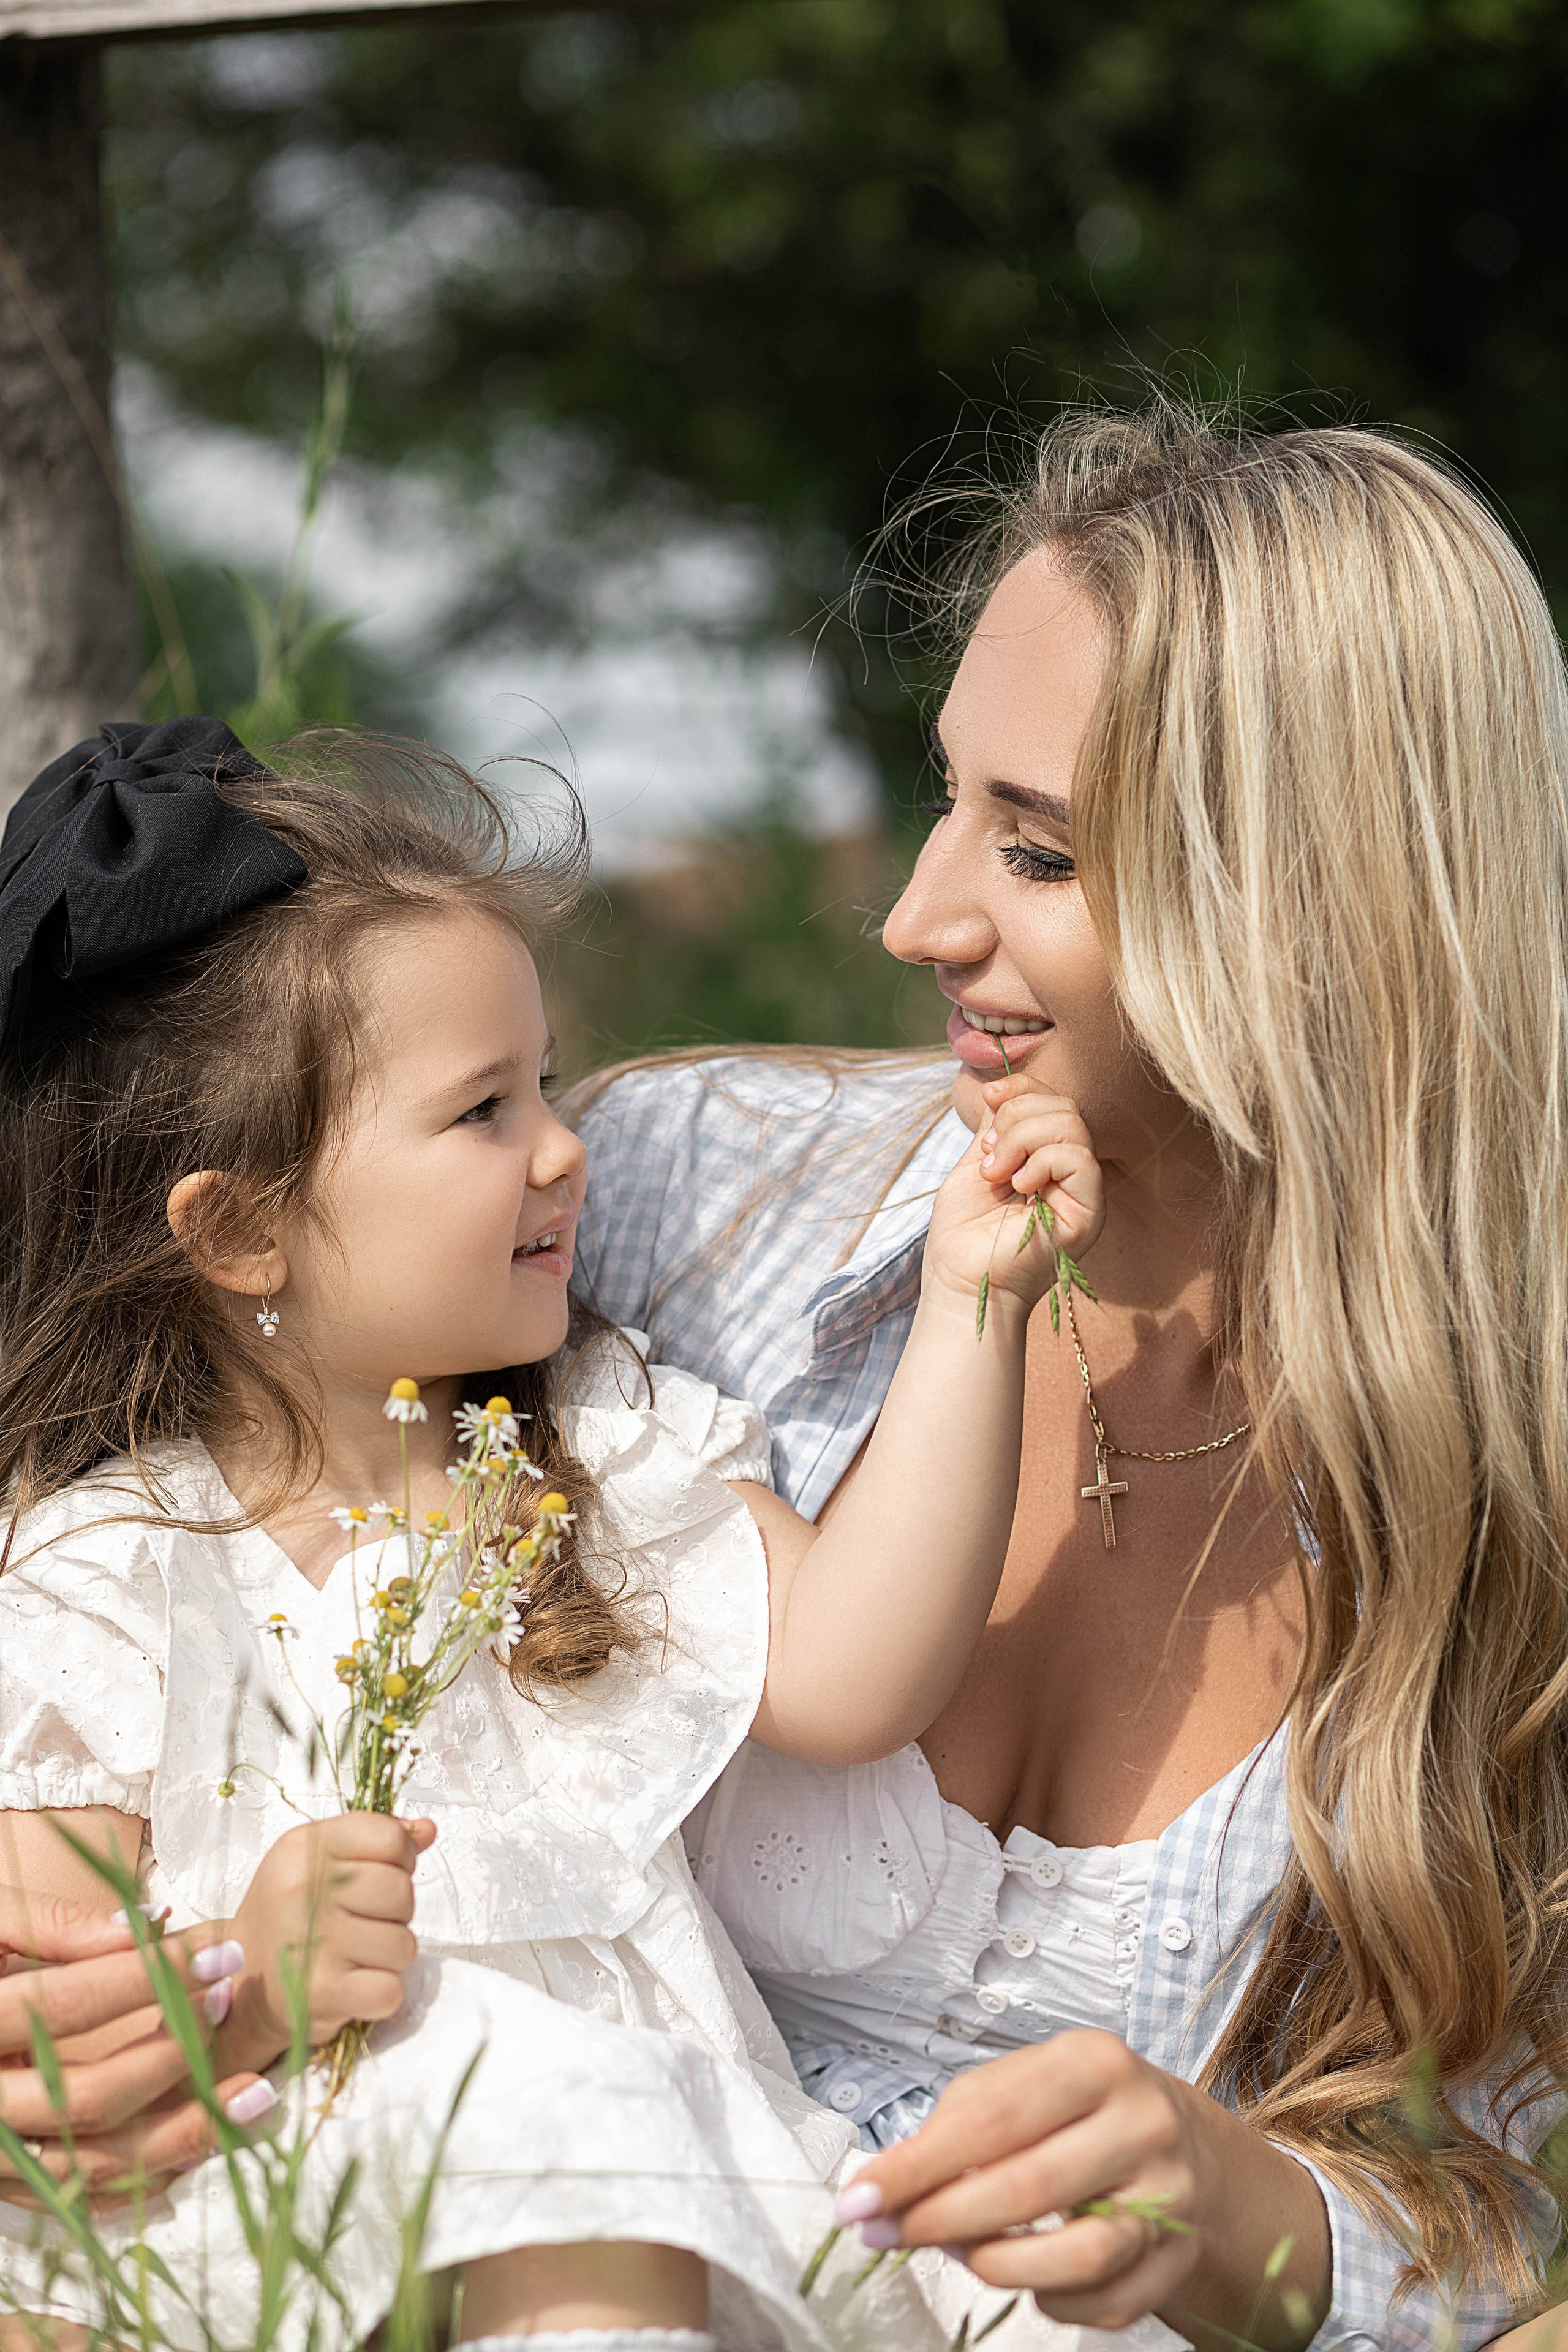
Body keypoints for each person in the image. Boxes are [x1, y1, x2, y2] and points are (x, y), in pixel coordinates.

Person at [567, 404, 1568, 2351]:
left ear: (1320, 913)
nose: (915, 917)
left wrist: (1229, 2209)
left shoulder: (1517, 1493)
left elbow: (1493, 2208)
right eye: (947, 802)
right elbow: (210, 1538)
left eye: (1035, 850)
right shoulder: (666, 1205)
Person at [0, 716, 1084, 2352]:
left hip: (657, 2180)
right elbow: (61, 2028)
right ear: (238, 1229)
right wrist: (248, 1976)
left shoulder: (586, 1443)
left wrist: (971, 1308)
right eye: (482, 1112)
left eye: (549, 1084)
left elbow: (857, 1675)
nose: (568, 1147)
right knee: (546, 2121)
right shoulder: (109, 1574)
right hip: (308, 2220)